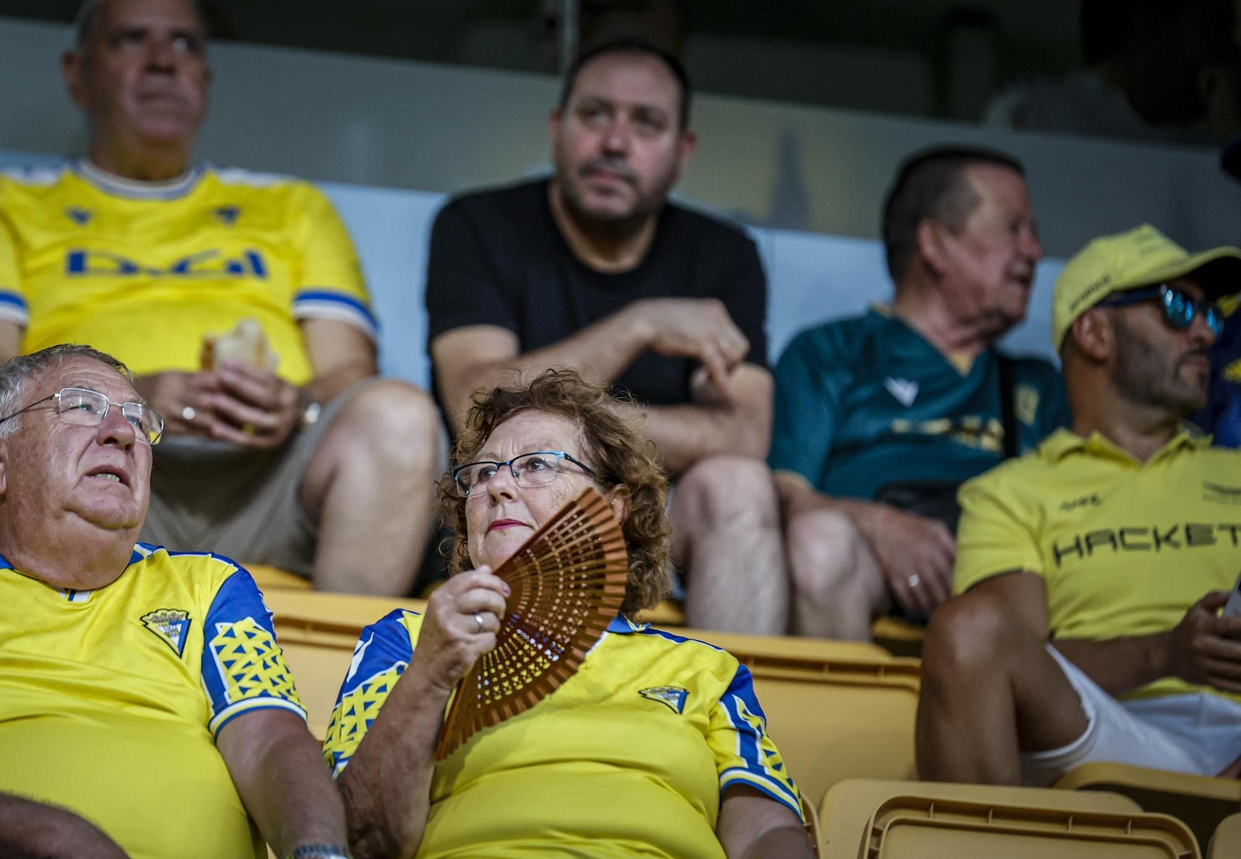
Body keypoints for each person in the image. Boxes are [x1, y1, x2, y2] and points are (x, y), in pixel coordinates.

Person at [0, 343, 374, 859]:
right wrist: (58, 837)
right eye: (80, 406)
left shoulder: (210, 585)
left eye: (138, 420)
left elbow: (270, 740)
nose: (122, 433)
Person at [0, 0, 439, 595]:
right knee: (28, 429)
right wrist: (127, 399)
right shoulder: (0, 204)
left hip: (266, 485)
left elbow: (349, 370)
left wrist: (295, 402)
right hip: (92, 466)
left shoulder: (291, 206)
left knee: (399, 416)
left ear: (205, 79)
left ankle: (349, 680)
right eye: (131, 40)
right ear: (78, 73)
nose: (163, 62)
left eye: (185, 45)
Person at [323, 369, 821, 859]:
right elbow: (366, 839)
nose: (498, 485)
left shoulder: (705, 670)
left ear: (613, 508)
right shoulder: (408, 640)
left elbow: (766, 832)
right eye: (483, 472)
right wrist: (429, 676)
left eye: (536, 465)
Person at [424, 39, 776, 632]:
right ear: (557, 127)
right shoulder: (478, 225)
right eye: (595, 115)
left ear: (683, 150)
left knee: (738, 484)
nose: (615, 142)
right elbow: (472, 406)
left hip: (652, 507)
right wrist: (641, 324)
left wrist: (563, 440)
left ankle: (732, 712)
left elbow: (745, 434)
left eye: (647, 123)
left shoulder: (723, 255)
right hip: (504, 488)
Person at [690, 145, 1068, 640]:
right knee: (819, 542)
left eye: (1034, 234)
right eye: (1013, 229)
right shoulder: (832, 352)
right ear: (934, 243)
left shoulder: (1037, 384)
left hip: (1001, 595)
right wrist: (880, 527)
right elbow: (785, 492)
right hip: (855, 578)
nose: (1034, 252)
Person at [918, 225, 1241, 786]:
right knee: (969, 630)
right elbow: (1010, 656)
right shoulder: (1011, 492)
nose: (1205, 334)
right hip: (1116, 729)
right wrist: (1165, 654)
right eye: (1176, 306)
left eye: (1211, 315)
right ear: (1095, 332)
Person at [985, 0, 1241, 146]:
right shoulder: (1034, 116)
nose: (1232, 49)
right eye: (1216, 28)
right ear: (1151, 26)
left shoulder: (1220, 137)